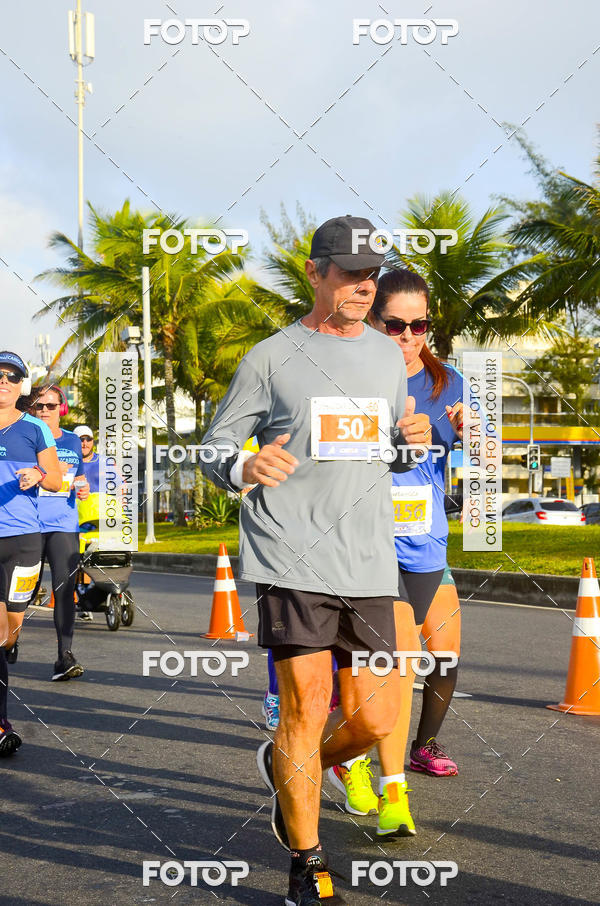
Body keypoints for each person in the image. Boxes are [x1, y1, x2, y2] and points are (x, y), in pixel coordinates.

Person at [200, 216, 430, 905]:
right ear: (314, 273)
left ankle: (288, 767)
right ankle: (309, 864)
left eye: (370, 275)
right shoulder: (270, 357)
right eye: (350, 274)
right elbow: (215, 448)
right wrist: (245, 461)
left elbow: (387, 450)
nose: (363, 286)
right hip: (291, 554)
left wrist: (411, 440)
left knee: (379, 720)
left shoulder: (389, 357)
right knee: (308, 706)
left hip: (369, 561)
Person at [329, 268, 463, 837]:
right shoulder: (346, 375)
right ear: (374, 320)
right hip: (367, 543)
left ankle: (334, 751)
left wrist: (474, 435)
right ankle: (394, 795)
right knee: (395, 667)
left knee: (431, 661)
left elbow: (471, 455)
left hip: (426, 543)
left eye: (420, 324)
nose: (409, 335)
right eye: (397, 324)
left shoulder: (449, 382)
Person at [0, 352, 61, 755]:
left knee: (9, 630)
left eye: (11, 376)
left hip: (23, 540)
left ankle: (11, 641)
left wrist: (38, 474)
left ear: (21, 385)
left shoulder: (35, 427)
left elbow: (56, 478)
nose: (3, 381)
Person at [28, 385, 90, 681]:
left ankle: (64, 657)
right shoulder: (24, 435)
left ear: (60, 408)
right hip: (27, 523)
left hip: (64, 523)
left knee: (64, 590)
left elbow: (78, 476)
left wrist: (82, 486)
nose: (45, 411)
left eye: (51, 406)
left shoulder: (73, 441)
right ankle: (8, 642)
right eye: (39, 406)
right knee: (22, 592)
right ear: (32, 408)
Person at [74, 425, 99, 621]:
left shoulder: (104, 462)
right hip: (75, 518)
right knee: (79, 560)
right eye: (80, 439)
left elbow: (120, 485)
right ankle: (83, 600)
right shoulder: (67, 462)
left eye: (88, 439)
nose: (84, 443)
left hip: (100, 517)